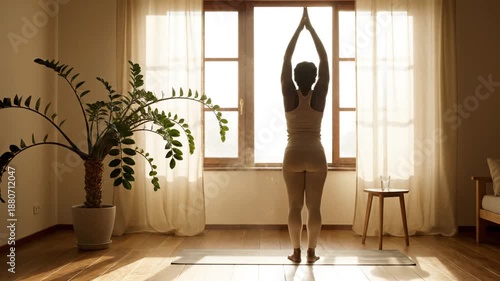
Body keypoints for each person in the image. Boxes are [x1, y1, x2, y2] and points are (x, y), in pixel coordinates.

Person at [281, 7, 329, 263]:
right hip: (316, 153)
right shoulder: (320, 94)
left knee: (294, 207)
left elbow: (286, 61)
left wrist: (298, 30)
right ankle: (312, 253)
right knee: (314, 207)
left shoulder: (289, 93)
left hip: (292, 154)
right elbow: (325, 61)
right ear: (315, 78)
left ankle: (296, 253)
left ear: (295, 77)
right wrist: (312, 31)